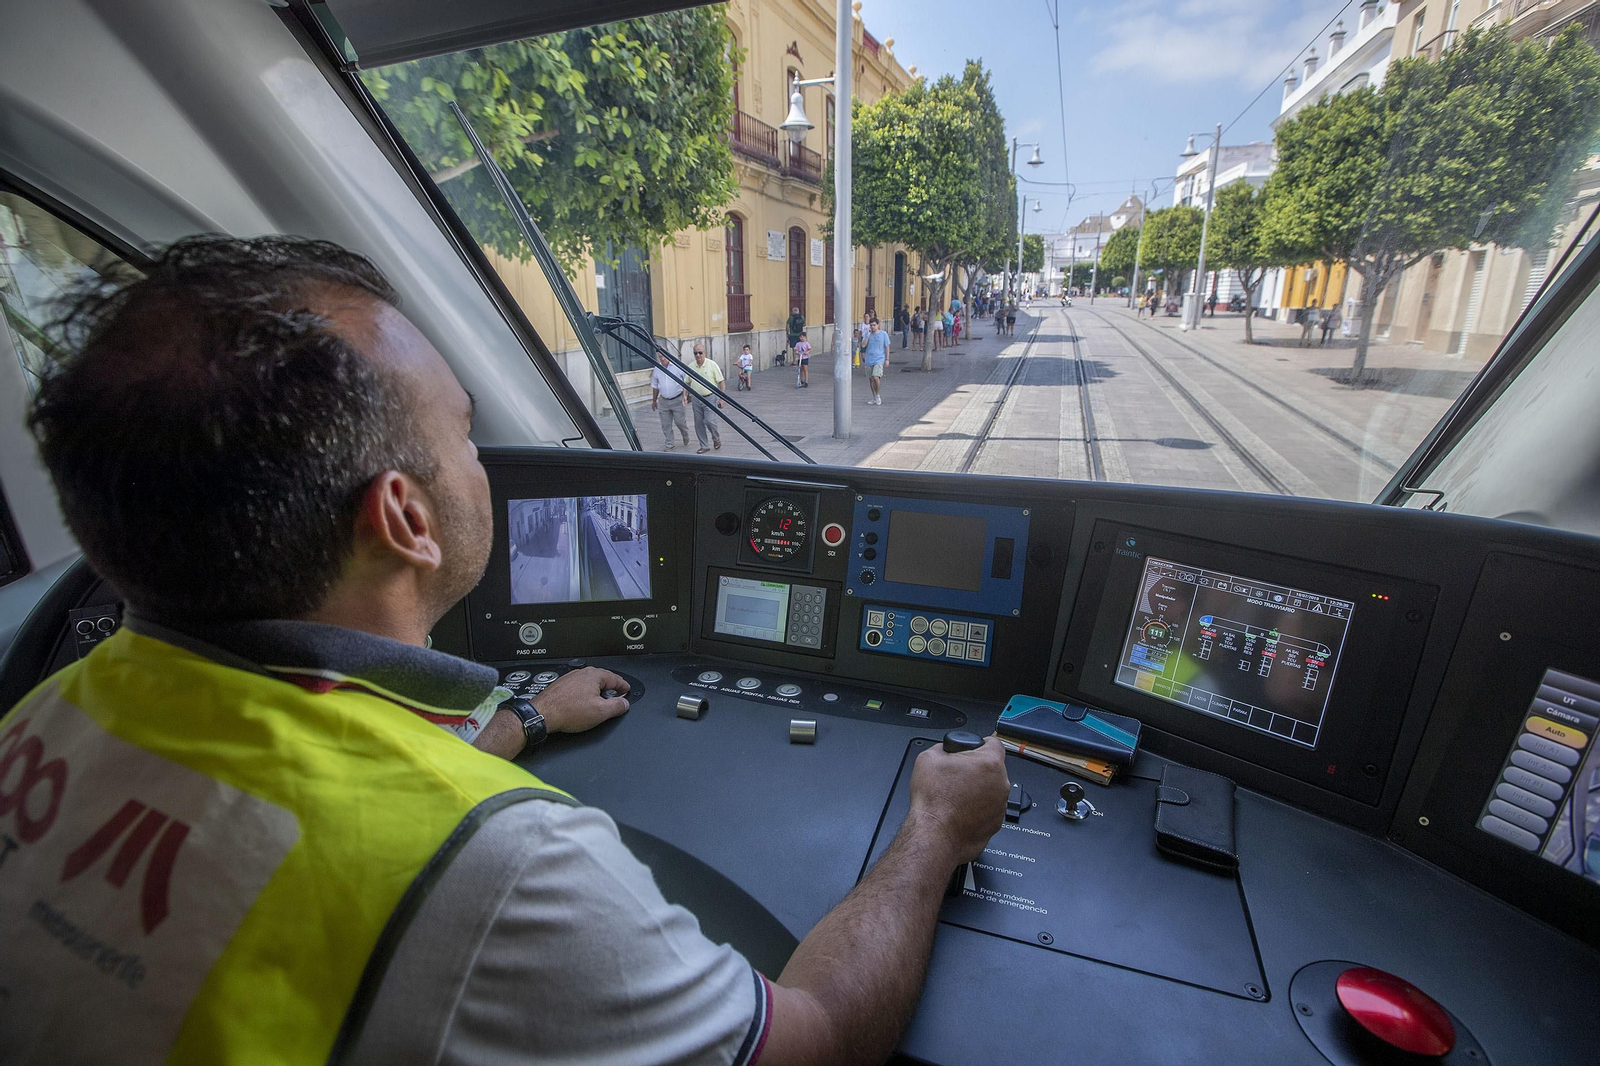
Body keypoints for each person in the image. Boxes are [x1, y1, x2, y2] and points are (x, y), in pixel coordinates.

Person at [2, 235, 1011, 1065]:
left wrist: (524, 716)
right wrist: (932, 830)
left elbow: (296, 817)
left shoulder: (45, 715)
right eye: (464, 437)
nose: (480, 465)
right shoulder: (507, 865)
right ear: (404, 516)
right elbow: (820, 1044)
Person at [685, 343, 725, 452]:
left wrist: (722, 398)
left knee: (709, 421)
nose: (698, 355)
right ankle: (704, 445)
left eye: (700, 353)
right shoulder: (691, 366)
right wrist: (685, 395)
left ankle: (716, 438)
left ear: (705, 353)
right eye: (695, 353)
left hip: (710, 397)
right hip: (696, 398)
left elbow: (721, 381)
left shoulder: (712, 365)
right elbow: (686, 383)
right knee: (698, 423)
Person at [650, 350, 691, 449]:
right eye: (660, 357)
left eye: (664, 356)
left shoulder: (677, 367)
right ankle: (669, 443)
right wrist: (654, 400)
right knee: (665, 424)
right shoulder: (657, 369)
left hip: (677, 399)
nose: (662, 359)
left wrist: (686, 395)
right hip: (663, 400)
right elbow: (655, 386)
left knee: (680, 422)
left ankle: (685, 434)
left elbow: (686, 382)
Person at [862, 316, 890, 405]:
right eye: (871, 325)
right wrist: (867, 335)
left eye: (874, 325)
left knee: (876, 377)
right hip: (869, 359)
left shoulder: (883, 334)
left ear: (878, 325)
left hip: (879, 359)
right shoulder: (867, 334)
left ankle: (877, 395)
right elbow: (863, 345)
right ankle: (874, 396)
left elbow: (887, 347)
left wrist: (887, 359)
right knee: (871, 379)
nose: (873, 327)